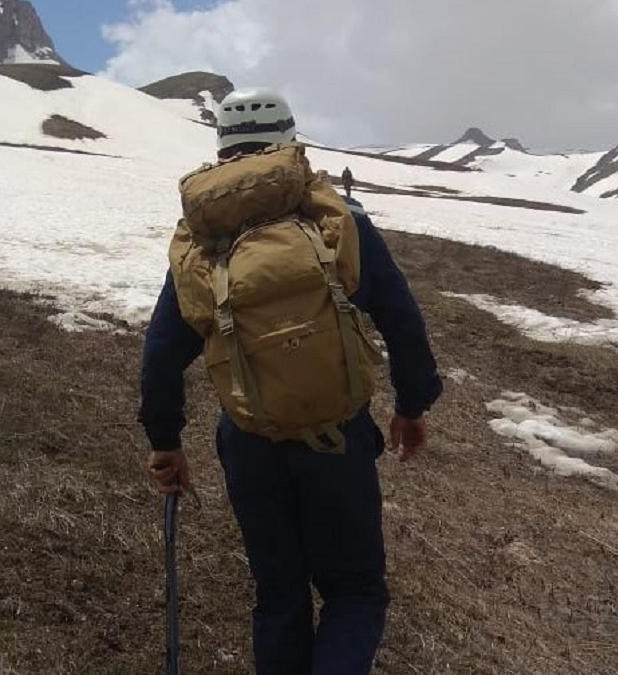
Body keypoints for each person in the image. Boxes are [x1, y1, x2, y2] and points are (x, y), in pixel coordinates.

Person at [139, 87, 442, 675]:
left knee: (279, 598)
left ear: (223, 146)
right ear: (289, 138)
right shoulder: (338, 219)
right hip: (337, 438)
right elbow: (403, 320)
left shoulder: (203, 239)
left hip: (250, 442)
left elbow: (160, 353)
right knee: (355, 593)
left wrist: (165, 441)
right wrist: (410, 404)